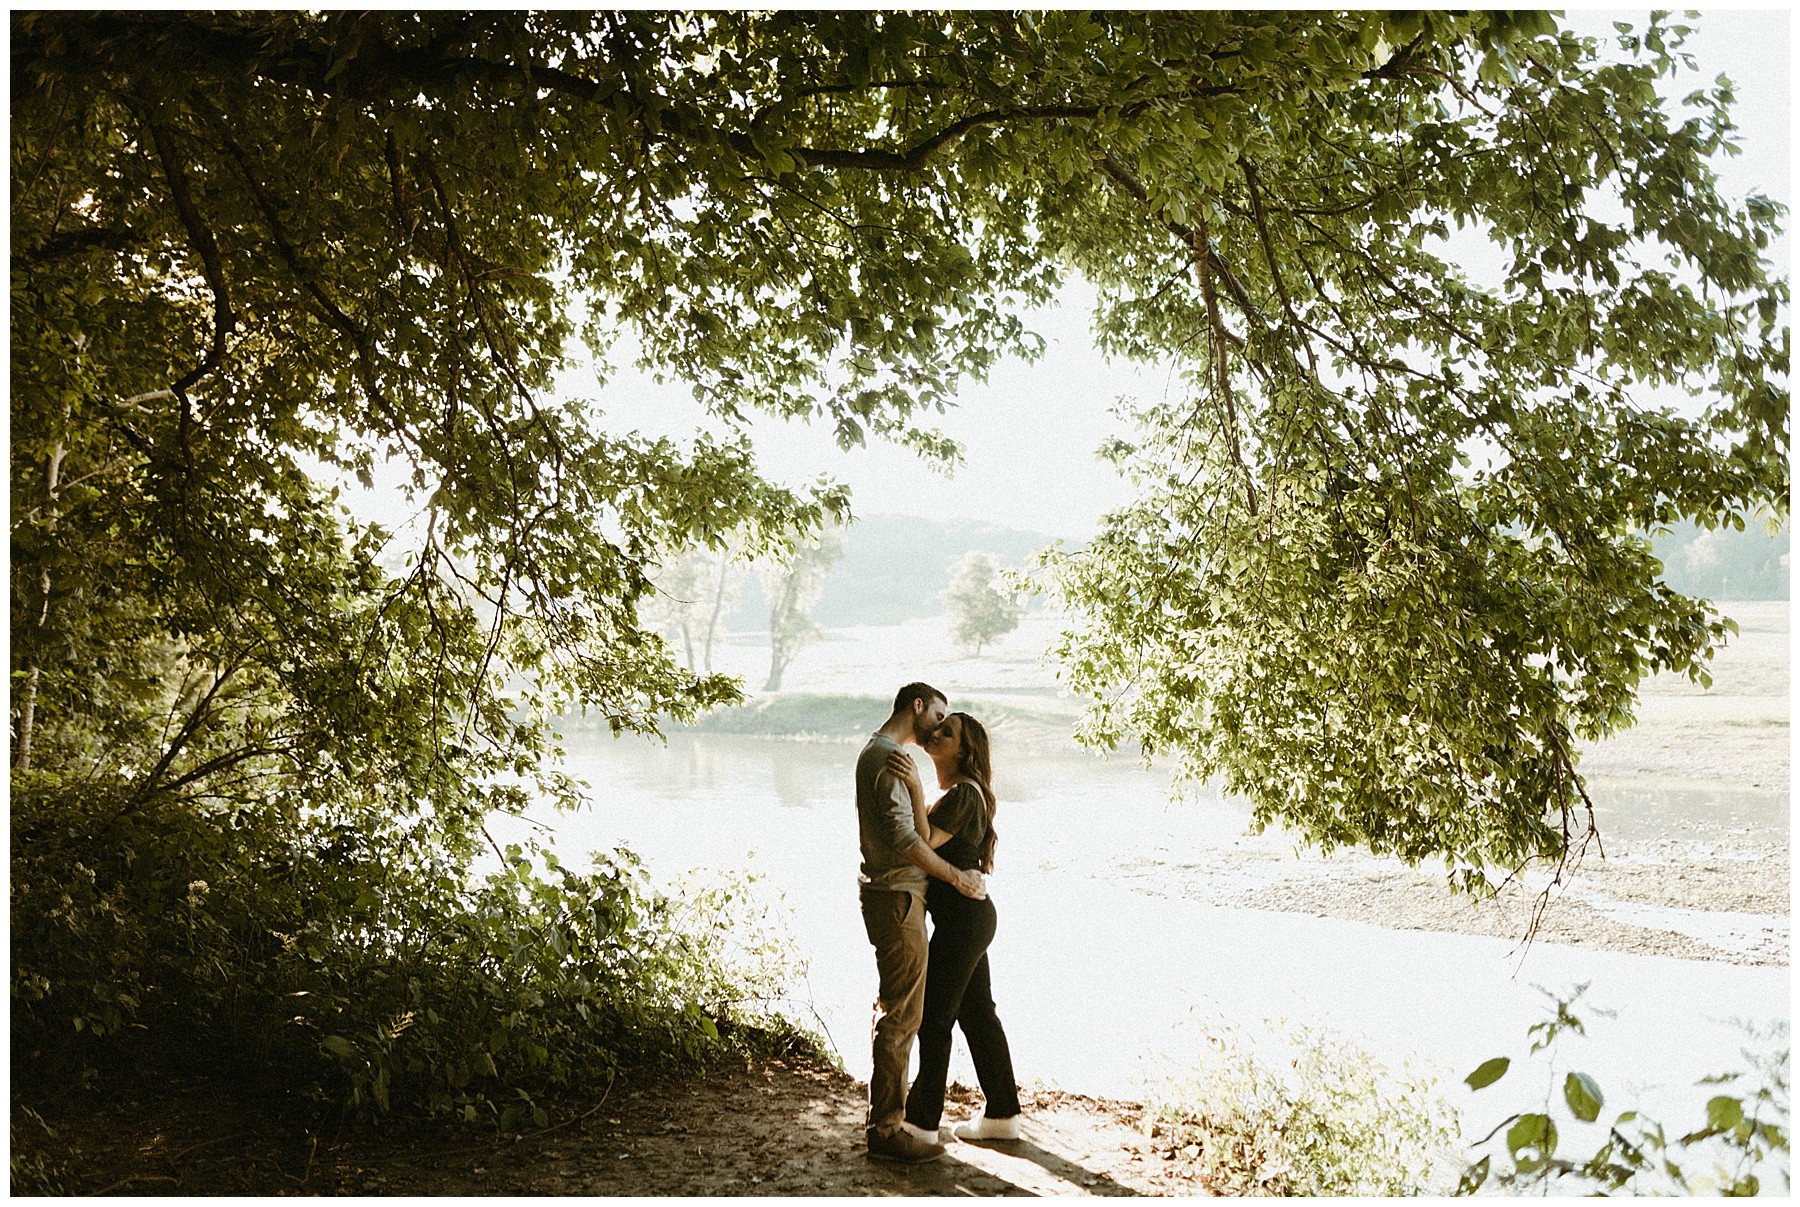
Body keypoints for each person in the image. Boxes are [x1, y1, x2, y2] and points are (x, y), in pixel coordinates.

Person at [856, 683, 987, 1164]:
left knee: (904, 1010)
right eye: (937, 714)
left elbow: (915, 833)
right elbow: (910, 840)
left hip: (898, 897)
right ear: (918, 706)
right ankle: (888, 1131)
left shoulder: (887, 755)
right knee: (903, 1015)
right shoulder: (889, 759)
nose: (937, 725)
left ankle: (889, 1122)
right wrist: (956, 876)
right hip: (897, 897)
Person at [886, 710, 1023, 1144]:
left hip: (966, 920)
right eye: (938, 726)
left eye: (949, 732)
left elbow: (921, 843)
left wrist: (910, 782)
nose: (937, 732)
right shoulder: (959, 793)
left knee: (934, 1018)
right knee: (978, 1014)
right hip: (970, 919)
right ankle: (1002, 1116)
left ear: (963, 750)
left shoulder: (963, 793)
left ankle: (922, 1124)